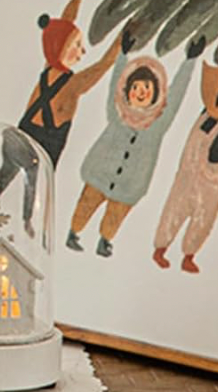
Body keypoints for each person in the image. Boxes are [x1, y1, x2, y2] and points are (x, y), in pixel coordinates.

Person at [0, 0, 120, 227]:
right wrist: (122, 40)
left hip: (18, 136)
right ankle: (26, 224)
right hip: (40, 149)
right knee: (34, 192)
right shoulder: (74, 85)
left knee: (3, 179)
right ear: (60, 48)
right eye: (76, 46)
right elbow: (104, 64)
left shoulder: (48, 68)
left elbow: (61, 26)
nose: (81, 53)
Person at [68, 32, 202, 257]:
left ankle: (105, 240)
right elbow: (114, 88)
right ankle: (74, 231)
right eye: (136, 88)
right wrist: (123, 55)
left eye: (147, 90)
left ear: (156, 94)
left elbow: (176, 96)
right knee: (86, 203)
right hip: (99, 171)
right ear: (128, 92)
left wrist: (190, 61)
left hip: (131, 183)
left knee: (116, 213)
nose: (140, 94)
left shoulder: (158, 124)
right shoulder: (117, 114)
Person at [153, 47, 218, 274]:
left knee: (204, 218)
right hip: (192, 169)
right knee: (177, 207)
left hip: (214, 182)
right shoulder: (207, 115)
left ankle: (189, 254)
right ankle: (161, 247)